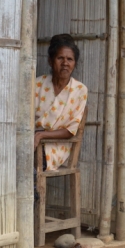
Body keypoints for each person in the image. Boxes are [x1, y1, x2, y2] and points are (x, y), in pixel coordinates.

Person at [34, 34, 88, 170]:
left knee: (30, 159)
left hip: (56, 145)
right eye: (60, 58)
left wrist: (41, 135)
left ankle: (34, 192)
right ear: (50, 61)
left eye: (70, 59)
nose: (65, 63)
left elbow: (71, 130)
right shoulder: (37, 84)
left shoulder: (79, 90)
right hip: (31, 139)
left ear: (74, 63)